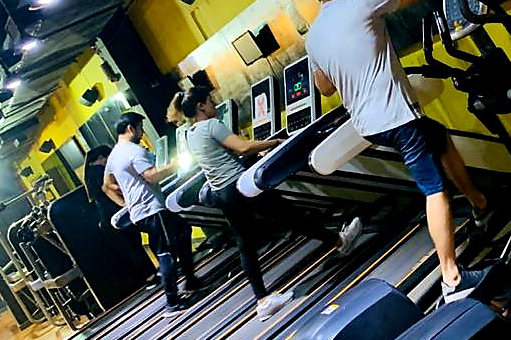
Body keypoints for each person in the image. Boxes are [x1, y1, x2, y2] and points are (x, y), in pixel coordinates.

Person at [304, 0, 493, 304]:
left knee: (438, 136)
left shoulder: (313, 39)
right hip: (395, 117)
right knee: (434, 189)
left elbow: (324, 87)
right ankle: (452, 278)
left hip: (372, 126)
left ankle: (479, 203)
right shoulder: (361, 2)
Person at [168, 87, 362, 321]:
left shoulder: (190, 134)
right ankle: (340, 242)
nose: (213, 105)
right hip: (239, 187)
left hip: (222, 193)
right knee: (292, 216)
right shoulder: (211, 125)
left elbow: (223, 154)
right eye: (210, 101)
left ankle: (262, 300)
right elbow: (242, 147)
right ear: (200, 106)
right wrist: (275, 142)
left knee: (246, 244)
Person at [103, 112, 202, 316]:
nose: (142, 133)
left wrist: (127, 203)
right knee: (166, 253)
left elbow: (107, 186)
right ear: (131, 128)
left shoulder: (114, 155)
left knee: (183, 230)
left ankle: (190, 280)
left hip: (140, 213)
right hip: (152, 209)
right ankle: (172, 301)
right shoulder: (134, 150)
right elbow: (151, 176)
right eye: (140, 128)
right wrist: (175, 164)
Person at [84, 145, 154, 287]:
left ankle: (147, 276)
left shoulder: (90, 175)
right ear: (101, 158)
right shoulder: (100, 172)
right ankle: (150, 274)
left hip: (108, 219)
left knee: (131, 248)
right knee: (136, 244)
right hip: (118, 214)